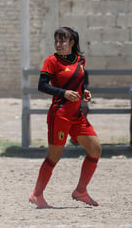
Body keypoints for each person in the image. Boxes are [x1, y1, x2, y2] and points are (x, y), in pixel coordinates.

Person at [29, 27, 102, 209]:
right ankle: (37, 195)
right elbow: (42, 86)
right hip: (60, 115)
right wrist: (64, 92)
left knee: (96, 149)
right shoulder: (51, 61)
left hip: (77, 115)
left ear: (72, 43)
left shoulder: (80, 60)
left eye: (62, 41)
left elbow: (80, 80)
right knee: (54, 157)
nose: (59, 45)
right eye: (56, 41)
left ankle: (81, 191)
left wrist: (84, 91)